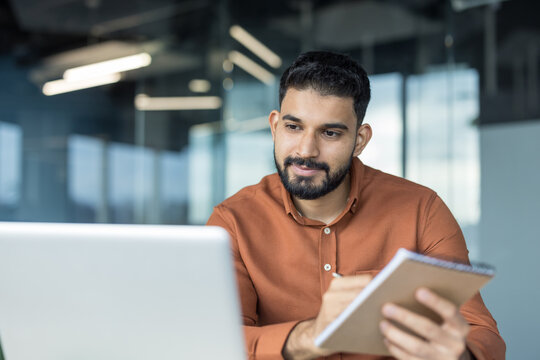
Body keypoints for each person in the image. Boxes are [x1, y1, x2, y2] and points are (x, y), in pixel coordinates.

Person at [207, 51, 505, 360]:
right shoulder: (232, 222)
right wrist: (309, 336)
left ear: (360, 140)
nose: (306, 150)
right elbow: (215, 343)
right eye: (293, 127)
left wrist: (460, 355)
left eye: (330, 132)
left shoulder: (421, 210)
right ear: (274, 126)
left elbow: (480, 332)